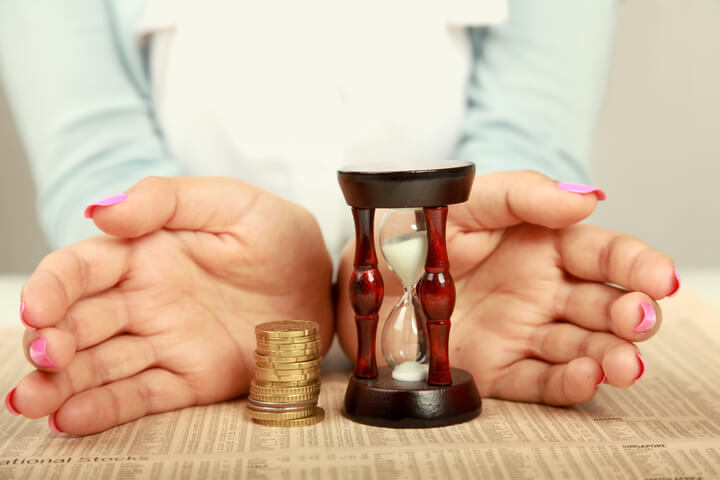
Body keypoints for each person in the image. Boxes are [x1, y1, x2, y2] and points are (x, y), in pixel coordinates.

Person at [1, 0, 679, 435]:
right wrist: (143, 241)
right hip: (199, 292)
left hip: (461, 267)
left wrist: (493, 225)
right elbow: (92, 145)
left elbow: (527, 122)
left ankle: (408, 343)